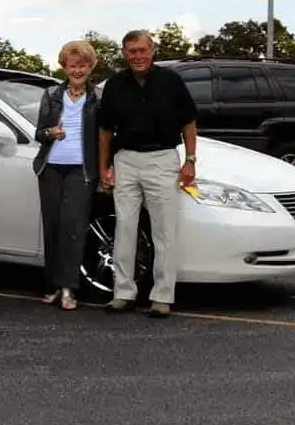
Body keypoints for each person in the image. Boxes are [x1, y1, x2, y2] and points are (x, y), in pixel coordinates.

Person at [96, 29, 198, 318]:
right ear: (124, 53)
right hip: (126, 160)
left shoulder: (171, 81)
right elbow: (105, 131)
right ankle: (122, 293)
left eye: (142, 50)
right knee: (124, 228)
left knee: (164, 231)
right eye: (132, 51)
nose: (138, 56)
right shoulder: (115, 84)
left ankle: (162, 297)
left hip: (162, 159)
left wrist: (190, 161)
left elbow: (189, 122)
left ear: (152, 51)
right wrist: (104, 168)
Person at [30, 40, 101, 311]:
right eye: (73, 66)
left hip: (81, 170)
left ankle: (69, 288)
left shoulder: (97, 98)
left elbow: (105, 135)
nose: (78, 71)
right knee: (52, 227)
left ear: (90, 67)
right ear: (64, 67)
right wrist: (51, 133)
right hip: (50, 168)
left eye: (83, 65)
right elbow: (39, 133)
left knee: (73, 228)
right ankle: (52, 285)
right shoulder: (51, 95)